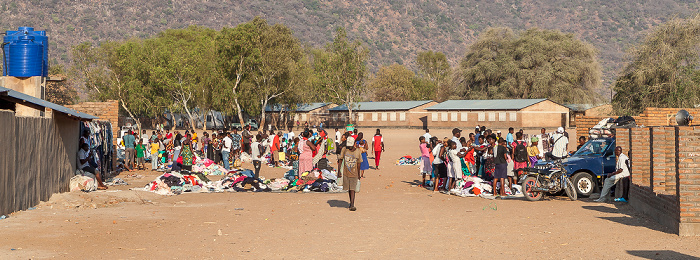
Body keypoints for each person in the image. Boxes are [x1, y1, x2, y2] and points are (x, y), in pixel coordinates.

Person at [341, 136, 362, 211]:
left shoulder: (358, 151)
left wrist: (359, 175)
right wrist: (339, 172)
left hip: (354, 173)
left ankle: (352, 204)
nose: (349, 147)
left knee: (352, 189)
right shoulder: (344, 150)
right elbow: (340, 160)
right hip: (346, 173)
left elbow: (359, 163)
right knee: (349, 189)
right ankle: (351, 202)